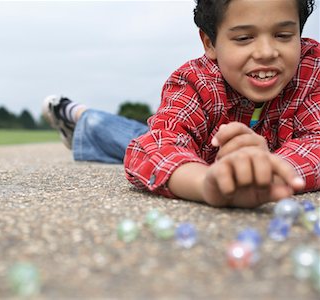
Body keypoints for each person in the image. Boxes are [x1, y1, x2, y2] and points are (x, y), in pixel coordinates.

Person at [42, 0, 320, 208]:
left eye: (283, 35)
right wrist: (207, 184)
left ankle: (80, 120)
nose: (266, 52)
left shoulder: (311, 69)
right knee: (129, 136)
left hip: (202, 157)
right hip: (194, 157)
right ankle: (76, 114)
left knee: (133, 132)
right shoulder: (195, 82)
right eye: (244, 38)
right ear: (210, 42)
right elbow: (154, 147)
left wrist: (271, 168)